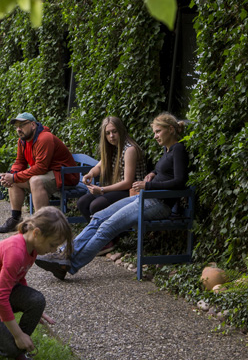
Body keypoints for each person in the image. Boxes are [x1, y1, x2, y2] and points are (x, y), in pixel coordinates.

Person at [34, 112, 188, 280]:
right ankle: (63, 253)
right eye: (155, 132)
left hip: (158, 204)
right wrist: (152, 173)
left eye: (158, 131)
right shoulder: (168, 150)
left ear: (171, 129)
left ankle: (70, 264)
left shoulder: (178, 149)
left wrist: (148, 185)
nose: (155, 136)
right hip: (145, 198)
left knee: (108, 227)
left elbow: (180, 181)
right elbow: (164, 172)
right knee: (99, 217)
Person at [0, 206, 72, 360]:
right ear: (36, 233)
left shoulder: (32, 247)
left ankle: (20, 350)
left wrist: (29, 304)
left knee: (37, 301)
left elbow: (19, 277)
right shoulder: (15, 251)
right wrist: (18, 334)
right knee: (8, 349)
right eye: (52, 245)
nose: (53, 250)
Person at [0, 112, 79, 233]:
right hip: (48, 173)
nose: (19, 129)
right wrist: (11, 175)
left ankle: (42, 225)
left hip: (65, 175)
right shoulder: (22, 141)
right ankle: (15, 219)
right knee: (15, 181)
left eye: (22, 125)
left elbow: (41, 168)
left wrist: (14, 177)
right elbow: (19, 162)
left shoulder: (45, 138)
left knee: (35, 180)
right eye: (17, 126)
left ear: (33, 125)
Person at [77, 116, 148, 223]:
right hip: (118, 189)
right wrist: (90, 174)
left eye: (114, 132)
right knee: (82, 202)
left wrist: (101, 190)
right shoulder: (111, 147)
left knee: (96, 205)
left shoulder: (130, 149)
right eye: (108, 133)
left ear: (121, 130)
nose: (111, 136)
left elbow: (128, 183)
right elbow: (99, 166)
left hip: (131, 192)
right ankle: (106, 238)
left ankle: (110, 235)